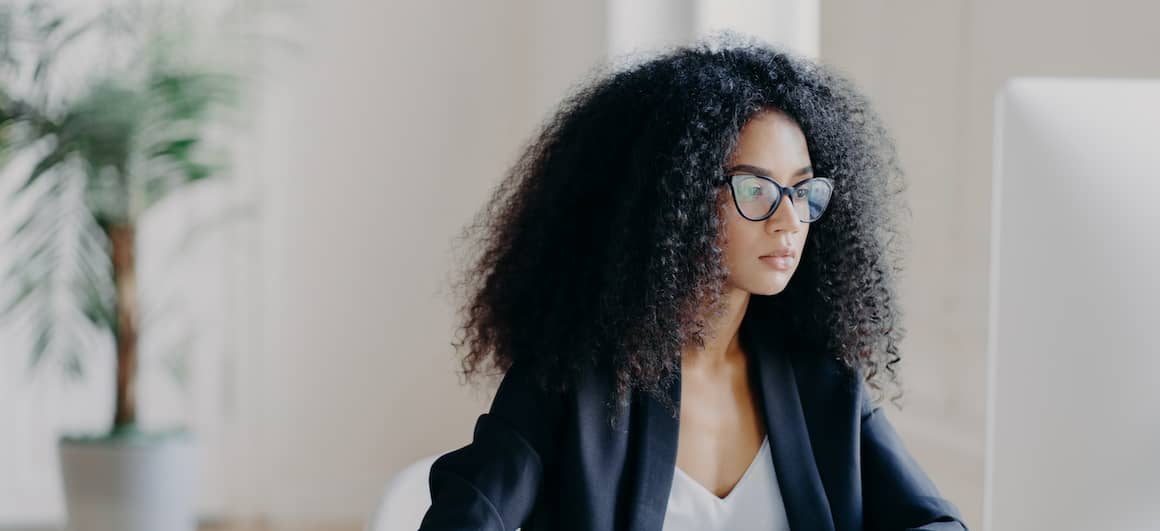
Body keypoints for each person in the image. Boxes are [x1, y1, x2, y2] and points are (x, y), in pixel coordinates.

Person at [418, 34, 968, 531]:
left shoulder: (822, 378)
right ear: (673, 202)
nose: (790, 219)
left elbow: (936, 525)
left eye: (802, 191)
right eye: (756, 189)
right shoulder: (571, 382)